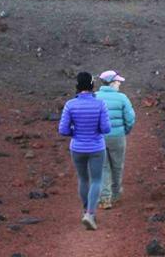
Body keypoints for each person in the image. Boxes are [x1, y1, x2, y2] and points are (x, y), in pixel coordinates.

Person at [58, 71, 111, 230]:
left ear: (77, 86)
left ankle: (86, 210)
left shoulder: (70, 105)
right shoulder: (100, 104)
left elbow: (63, 130)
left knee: (83, 179)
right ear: (91, 85)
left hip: (77, 147)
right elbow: (106, 128)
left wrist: (76, 132)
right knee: (96, 180)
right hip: (96, 147)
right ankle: (90, 214)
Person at [95, 70, 136, 209]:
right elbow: (130, 118)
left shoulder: (94, 98)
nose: (119, 84)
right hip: (118, 137)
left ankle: (105, 199)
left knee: (103, 167)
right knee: (117, 166)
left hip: (99, 138)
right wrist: (125, 131)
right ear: (111, 83)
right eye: (117, 81)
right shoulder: (122, 98)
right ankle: (116, 194)